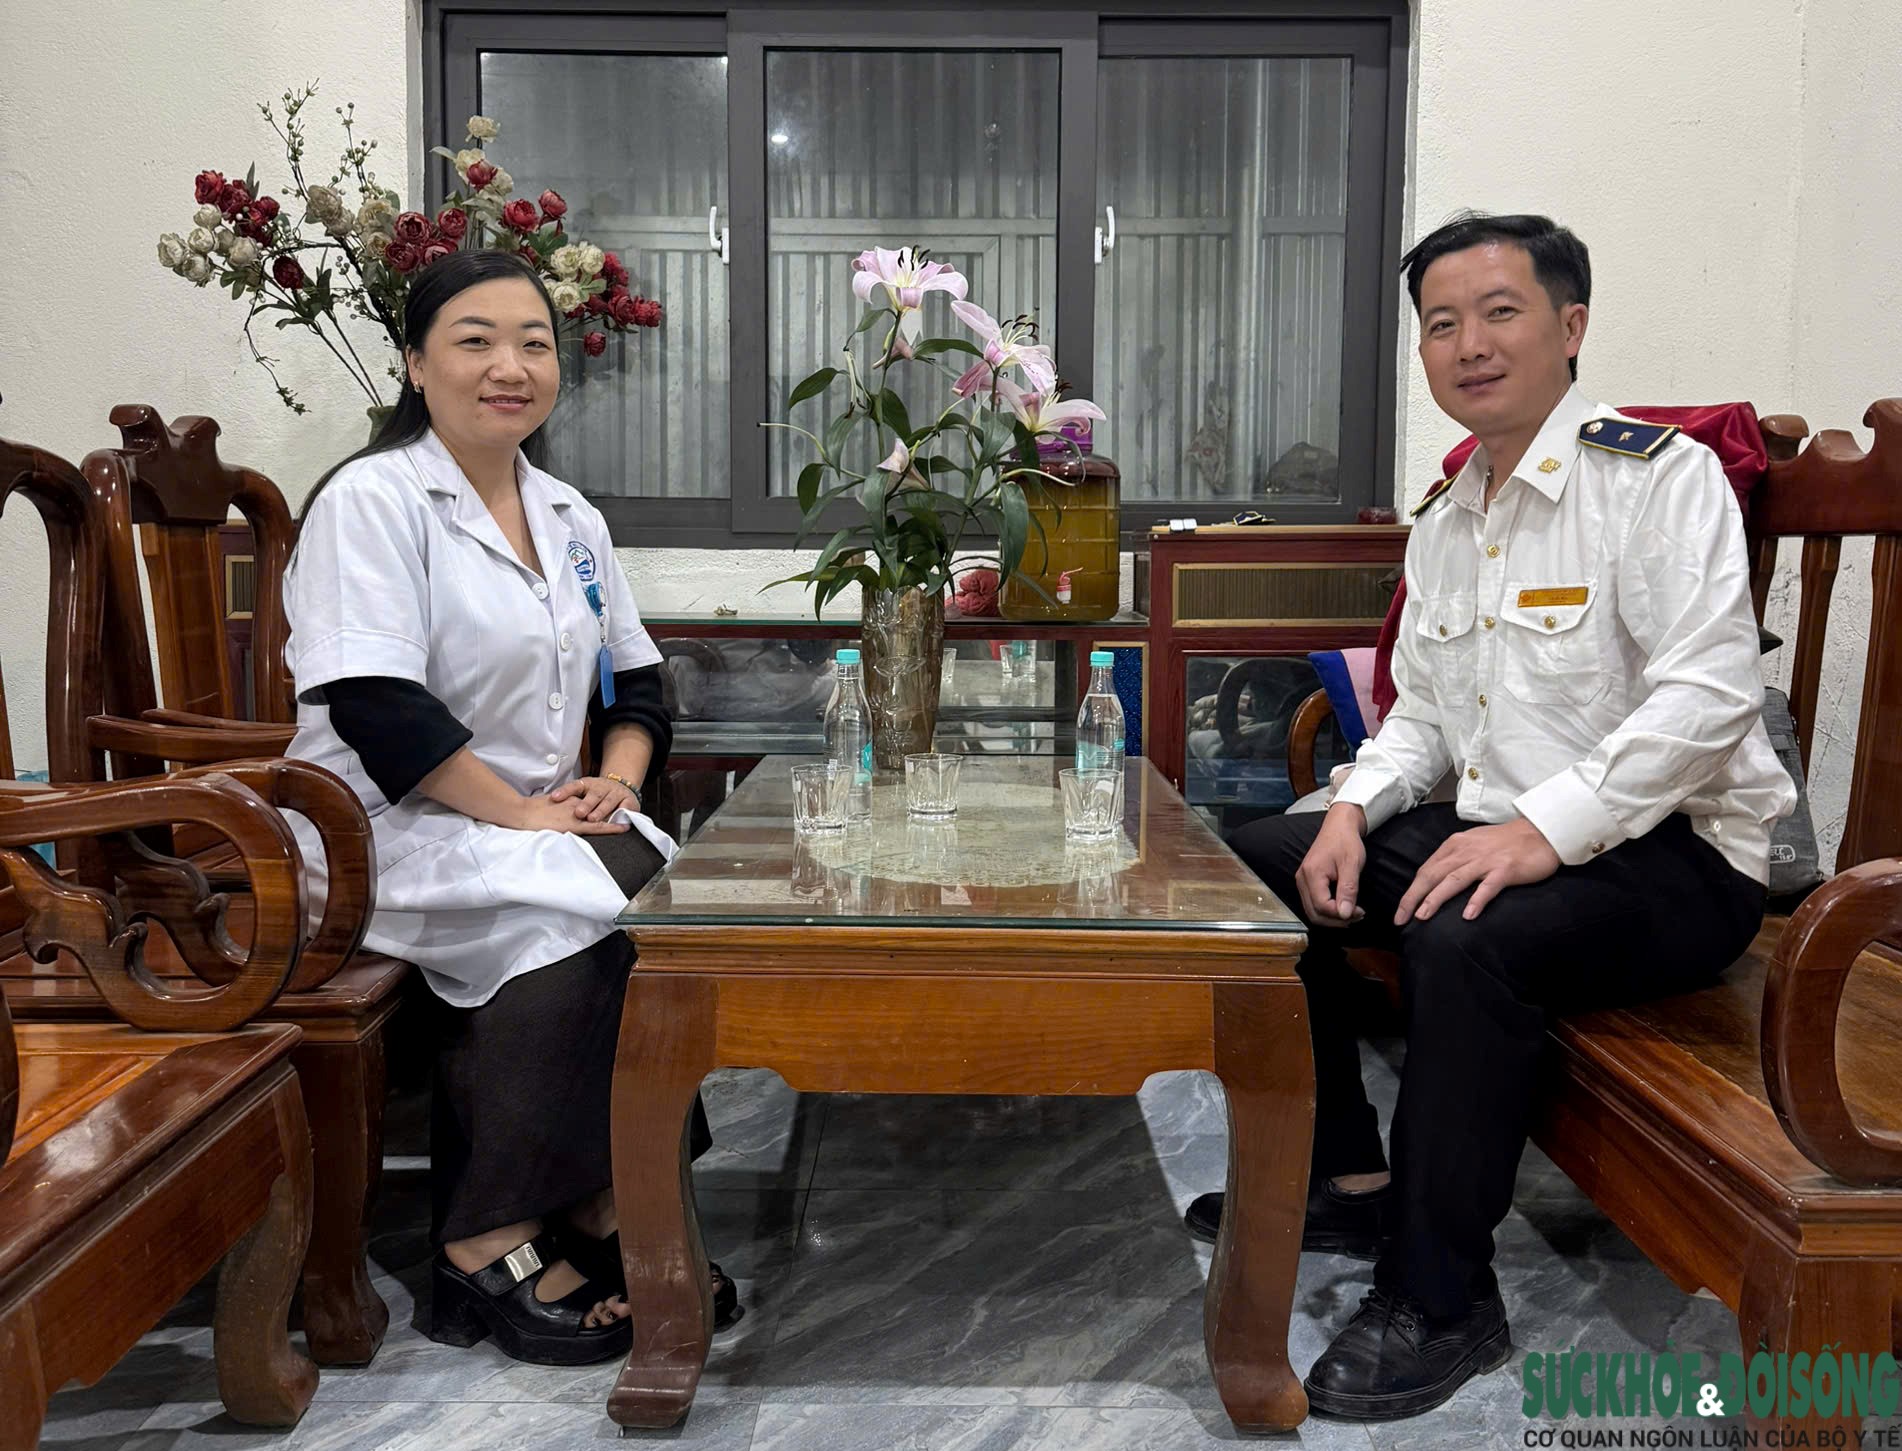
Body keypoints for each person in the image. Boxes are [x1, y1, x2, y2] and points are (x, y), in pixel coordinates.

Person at [1182, 213, 1795, 1419]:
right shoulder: (1452, 512)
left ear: (1570, 327)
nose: (1469, 343)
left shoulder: (1656, 480)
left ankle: (1443, 1292)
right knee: (1258, 861)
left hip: (1680, 856)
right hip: (1500, 828)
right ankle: (1349, 1174)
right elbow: (1421, 718)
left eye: (1500, 312)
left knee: (1463, 934)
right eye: (1442, 323)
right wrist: (1349, 808)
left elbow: (1709, 697)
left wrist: (1544, 831)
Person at [283, 249, 736, 1367]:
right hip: (378, 823)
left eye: (534, 342)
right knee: (574, 914)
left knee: (656, 890)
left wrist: (617, 776)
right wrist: (522, 816)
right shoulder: (374, 500)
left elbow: (637, 681)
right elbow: (376, 705)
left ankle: (603, 1196)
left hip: (519, 813)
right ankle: (486, 1234)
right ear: (414, 363)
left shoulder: (568, 513)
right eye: (475, 340)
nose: (510, 366)